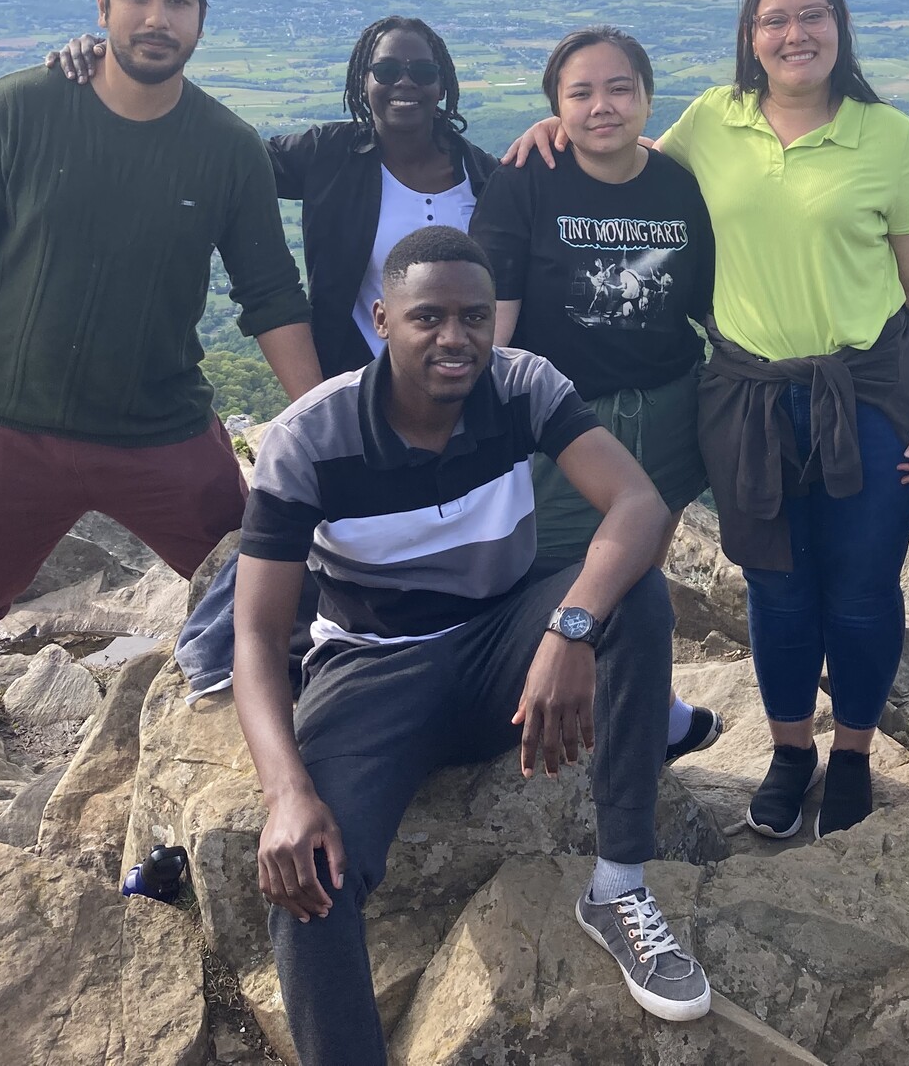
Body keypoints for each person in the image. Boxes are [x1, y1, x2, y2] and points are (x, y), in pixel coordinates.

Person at [505, 0, 909, 841]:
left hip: (870, 393)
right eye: (774, 21)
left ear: (840, 26)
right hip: (746, 393)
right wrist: (560, 122)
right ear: (748, 37)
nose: (794, 35)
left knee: (865, 589)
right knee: (777, 585)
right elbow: (626, 158)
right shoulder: (712, 121)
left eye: (813, 16)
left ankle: (850, 756)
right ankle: (789, 748)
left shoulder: (889, 135)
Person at [236, 227, 709, 1064]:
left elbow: (635, 502)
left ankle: (619, 886)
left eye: (475, 318)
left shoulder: (520, 385)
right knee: (309, 871)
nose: (456, 338)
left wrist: (569, 630)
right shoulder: (311, 438)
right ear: (382, 319)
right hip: (374, 669)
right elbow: (257, 635)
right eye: (429, 318)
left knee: (631, 594)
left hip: (505, 646)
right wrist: (285, 792)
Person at [0, 0, 321, 823]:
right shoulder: (16, 111)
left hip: (161, 431)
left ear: (202, 19)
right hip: (8, 421)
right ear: (102, 6)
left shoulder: (225, 146)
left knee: (255, 580)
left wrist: (324, 417)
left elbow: (271, 294)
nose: (157, 18)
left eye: (178, 1)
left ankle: (287, 771)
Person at [471, 26, 723, 761]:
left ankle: (645, 705)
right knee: (551, 566)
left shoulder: (679, 184)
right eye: (579, 93)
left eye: (619, 89)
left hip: (667, 405)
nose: (601, 107)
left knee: (641, 572)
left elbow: (708, 304)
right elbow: (497, 322)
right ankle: (539, 701)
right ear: (556, 106)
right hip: (565, 420)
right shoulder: (527, 180)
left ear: (648, 99)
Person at [48, 11, 498, 376]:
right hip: (356, 384)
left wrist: (557, 122)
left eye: (422, 71)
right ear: (363, 80)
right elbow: (224, 153)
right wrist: (121, 68)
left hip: (464, 383)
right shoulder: (328, 154)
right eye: (386, 70)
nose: (406, 82)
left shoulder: (486, 178)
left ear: (442, 85)